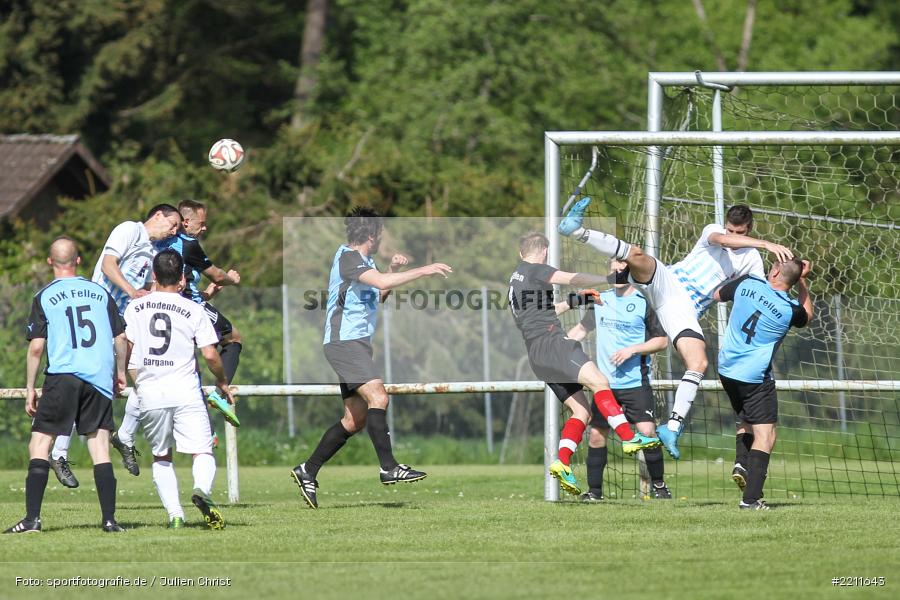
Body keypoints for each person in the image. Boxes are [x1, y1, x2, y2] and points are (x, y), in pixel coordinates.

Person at [559, 200, 793, 460]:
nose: (733, 236)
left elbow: (755, 291)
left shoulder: (752, 260)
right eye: (730, 230)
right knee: (637, 255)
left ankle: (672, 428)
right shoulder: (713, 231)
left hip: (685, 309)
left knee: (699, 362)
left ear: (748, 229)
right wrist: (765, 243)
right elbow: (721, 240)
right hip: (668, 282)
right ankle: (577, 231)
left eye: (740, 233)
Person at [291, 207, 453, 509]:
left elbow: (378, 294)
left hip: (355, 344)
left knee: (355, 419)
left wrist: (390, 271)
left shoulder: (363, 261)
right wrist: (423, 270)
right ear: (371, 234)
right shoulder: (349, 258)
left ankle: (308, 470)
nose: (381, 238)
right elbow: (380, 284)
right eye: (380, 234)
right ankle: (389, 467)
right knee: (379, 396)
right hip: (345, 343)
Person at [508, 233, 660, 497]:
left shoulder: (517, 276)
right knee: (600, 382)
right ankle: (628, 437)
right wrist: (607, 280)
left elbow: (543, 312)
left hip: (536, 354)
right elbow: (571, 277)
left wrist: (576, 300)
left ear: (521, 253)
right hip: (554, 344)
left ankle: (562, 462)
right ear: (544, 251)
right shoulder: (537, 269)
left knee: (581, 411)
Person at [48, 205, 181, 485]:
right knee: (82, 387)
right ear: (158, 216)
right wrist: (133, 292)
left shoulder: (154, 252)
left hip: (123, 322)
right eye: (173, 224)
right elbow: (109, 265)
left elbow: (149, 287)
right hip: (99, 319)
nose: (174, 230)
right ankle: (58, 453)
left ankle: (125, 436)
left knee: (147, 373)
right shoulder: (129, 230)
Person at [4, 237, 127, 534]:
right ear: (79, 260)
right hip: (97, 376)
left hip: (63, 376)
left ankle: (32, 519)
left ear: (50, 262)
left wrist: (30, 387)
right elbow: (120, 337)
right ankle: (109, 520)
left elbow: (36, 348)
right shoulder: (100, 292)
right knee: (99, 448)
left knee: (40, 444)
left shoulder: (45, 295)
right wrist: (120, 372)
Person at [124, 249, 235, 528]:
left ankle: (175, 516)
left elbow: (128, 349)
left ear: (153, 276)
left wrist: (124, 376)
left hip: (151, 392)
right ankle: (202, 491)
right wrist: (222, 381)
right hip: (186, 391)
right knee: (203, 451)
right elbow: (210, 355)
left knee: (162, 455)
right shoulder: (194, 309)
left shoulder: (135, 307)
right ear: (183, 278)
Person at [713, 259, 813, 510]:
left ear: (776, 271)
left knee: (747, 420)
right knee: (766, 435)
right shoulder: (790, 310)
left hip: (727, 369)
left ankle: (741, 463)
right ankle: (751, 500)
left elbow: (717, 294)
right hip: (754, 377)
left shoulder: (747, 283)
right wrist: (802, 282)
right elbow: (808, 316)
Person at [567, 259, 670, 501]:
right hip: (604, 386)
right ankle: (595, 493)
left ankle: (659, 486)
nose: (616, 272)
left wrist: (632, 350)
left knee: (647, 432)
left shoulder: (642, 301)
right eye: (612, 268)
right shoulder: (601, 300)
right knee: (596, 435)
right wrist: (557, 347)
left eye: (621, 268)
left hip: (635, 383)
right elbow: (581, 330)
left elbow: (662, 341)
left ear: (630, 270)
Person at [154, 199, 243, 428]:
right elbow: (217, 275)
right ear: (186, 222)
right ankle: (219, 393)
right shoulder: (188, 244)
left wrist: (206, 294)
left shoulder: (160, 242)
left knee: (190, 368)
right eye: (201, 223)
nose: (204, 228)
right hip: (191, 308)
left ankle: (204, 427)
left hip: (164, 307)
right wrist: (230, 279)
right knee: (233, 339)